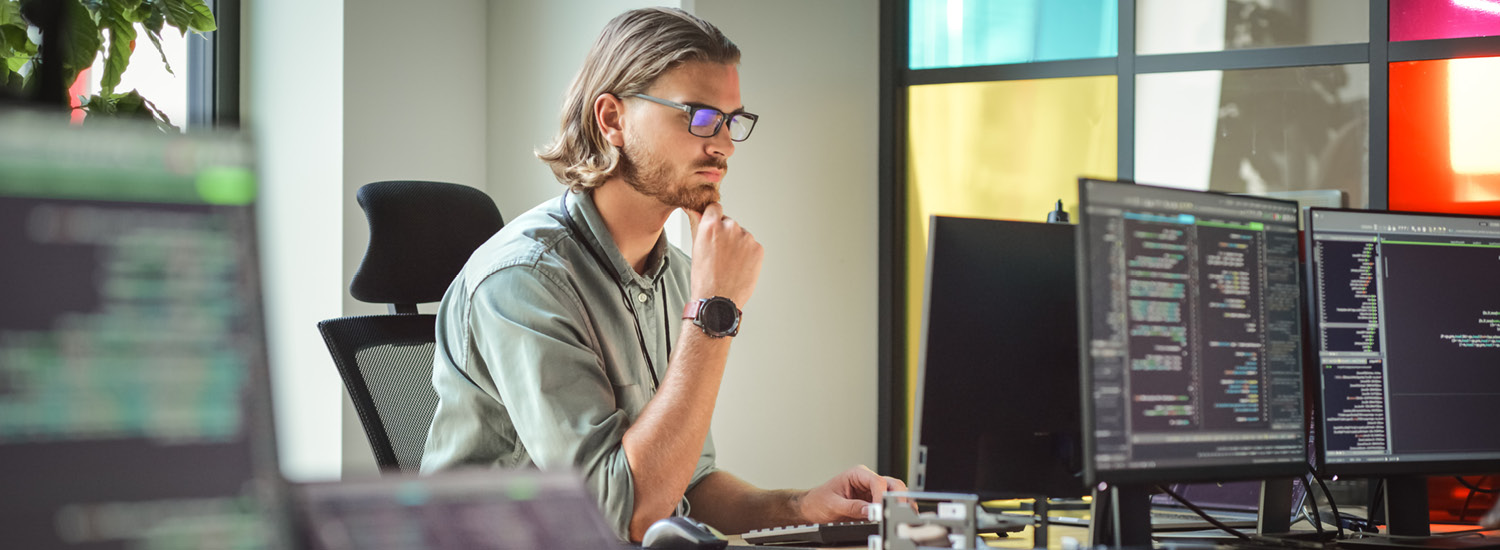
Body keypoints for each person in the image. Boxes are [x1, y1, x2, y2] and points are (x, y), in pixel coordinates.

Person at [419, 6, 906, 542]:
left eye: (731, 121)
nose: (721, 145)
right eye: (697, 115)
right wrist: (714, 312)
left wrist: (801, 504)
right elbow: (626, 513)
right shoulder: (524, 280)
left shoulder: (676, 274)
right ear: (612, 119)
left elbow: (686, 485)